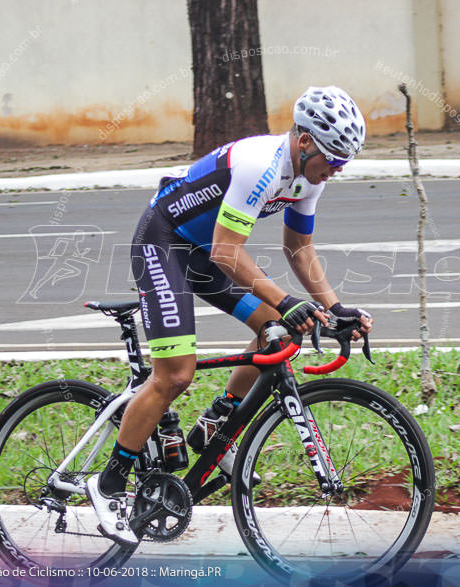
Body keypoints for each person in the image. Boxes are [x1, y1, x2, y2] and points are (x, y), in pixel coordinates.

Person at [86, 86, 374, 545]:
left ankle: (212, 429)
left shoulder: (309, 176)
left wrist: (335, 309)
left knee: (275, 337)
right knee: (175, 376)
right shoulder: (262, 165)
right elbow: (226, 250)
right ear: (304, 142)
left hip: (202, 253)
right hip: (165, 244)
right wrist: (286, 300)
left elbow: (298, 247)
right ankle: (108, 485)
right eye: (333, 159)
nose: (335, 171)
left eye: (344, 163)